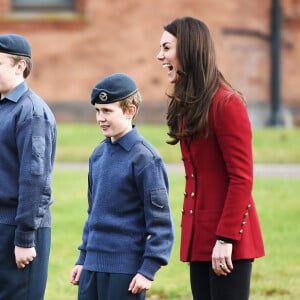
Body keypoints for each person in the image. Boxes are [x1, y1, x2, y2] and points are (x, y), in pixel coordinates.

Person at [156, 17, 265, 300]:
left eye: (166, 48)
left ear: (189, 49)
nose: (160, 56)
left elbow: (241, 179)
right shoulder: (190, 103)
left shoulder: (227, 104)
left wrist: (226, 239)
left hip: (227, 242)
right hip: (201, 238)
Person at [70, 73, 174, 300]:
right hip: (91, 269)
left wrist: (148, 270)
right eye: (97, 110)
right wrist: (83, 259)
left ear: (130, 111)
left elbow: (161, 224)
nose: (100, 118)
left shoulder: (145, 159)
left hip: (125, 273)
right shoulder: (97, 155)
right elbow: (93, 214)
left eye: (107, 111)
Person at [0, 34, 57, 299]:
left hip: (18, 229)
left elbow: (35, 179)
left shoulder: (31, 112)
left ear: (19, 66)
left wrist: (24, 238)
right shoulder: (4, 108)